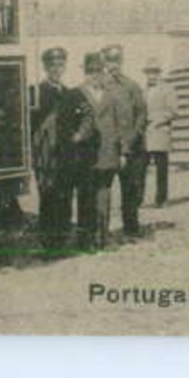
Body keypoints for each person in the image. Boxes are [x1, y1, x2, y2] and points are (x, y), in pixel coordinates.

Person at [62, 51, 120, 252]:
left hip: (106, 154)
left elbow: (118, 124)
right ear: (84, 73)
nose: (94, 75)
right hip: (84, 156)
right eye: (90, 71)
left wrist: (120, 153)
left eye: (98, 71)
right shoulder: (74, 94)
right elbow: (67, 125)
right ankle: (85, 240)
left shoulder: (111, 96)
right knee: (85, 198)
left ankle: (101, 238)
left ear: (103, 73)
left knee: (104, 197)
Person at [101, 45, 150, 239]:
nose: (114, 65)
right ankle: (101, 231)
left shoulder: (132, 86)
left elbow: (142, 114)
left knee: (132, 190)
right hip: (107, 149)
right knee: (103, 191)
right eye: (110, 61)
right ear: (104, 63)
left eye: (117, 60)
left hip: (132, 147)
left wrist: (133, 137)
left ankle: (131, 228)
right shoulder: (99, 87)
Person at [28, 47, 74, 247]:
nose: (57, 69)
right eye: (52, 65)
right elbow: (30, 126)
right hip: (45, 155)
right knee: (48, 195)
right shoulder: (36, 93)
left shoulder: (69, 93)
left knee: (64, 195)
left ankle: (63, 237)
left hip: (65, 154)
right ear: (45, 67)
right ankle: (48, 240)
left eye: (60, 65)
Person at [142, 58, 179, 207]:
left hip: (160, 132)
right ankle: (140, 199)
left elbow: (173, 111)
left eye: (155, 72)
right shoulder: (143, 91)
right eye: (149, 73)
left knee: (161, 169)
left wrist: (157, 120)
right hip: (145, 134)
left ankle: (161, 199)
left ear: (159, 73)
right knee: (141, 169)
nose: (152, 76)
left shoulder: (168, 89)